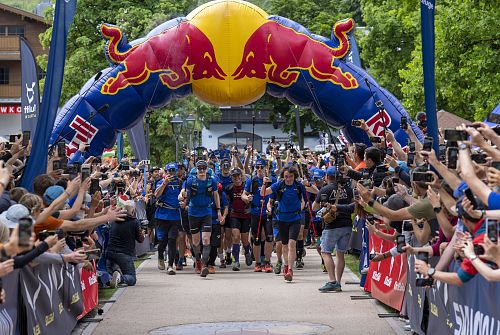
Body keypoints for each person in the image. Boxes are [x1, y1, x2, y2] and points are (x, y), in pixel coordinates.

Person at [313, 166, 354, 292]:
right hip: (347, 224)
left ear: (327, 177)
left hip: (332, 226)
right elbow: (353, 204)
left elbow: (315, 207)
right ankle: (338, 282)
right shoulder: (348, 189)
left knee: (326, 252)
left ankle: (332, 281)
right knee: (340, 254)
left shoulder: (325, 189)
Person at [261, 166, 305, 282]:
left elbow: (303, 201)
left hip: (295, 218)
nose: (288, 179)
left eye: (290, 176)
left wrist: (300, 208)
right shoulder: (279, 185)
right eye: (286, 176)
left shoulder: (298, 186)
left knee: (292, 243)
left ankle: (290, 269)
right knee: (284, 245)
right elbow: (263, 193)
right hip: (282, 218)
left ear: (294, 176)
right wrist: (264, 184)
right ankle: (286, 265)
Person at [180, 160, 222, 277]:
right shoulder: (190, 180)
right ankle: (197, 260)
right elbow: (186, 193)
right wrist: (183, 200)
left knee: (206, 240)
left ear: (207, 169)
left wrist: (218, 210)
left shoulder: (212, 180)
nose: (202, 170)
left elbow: (216, 195)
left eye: (204, 168)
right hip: (193, 212)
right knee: (195, 241)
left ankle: (204, 265)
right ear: (196, 170)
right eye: (200, 168)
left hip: (206, 212)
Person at [244, 159, 276, 272]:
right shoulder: (251, 181)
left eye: (261, 167)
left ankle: (267, 262)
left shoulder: (272, 180)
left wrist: (271, 205)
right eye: (257, 167)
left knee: (269, 237)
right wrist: (247, 198)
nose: (259, 169)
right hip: (255, 212)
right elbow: (244, 194)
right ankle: (257, 263)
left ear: (265, 168)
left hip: (267, 212)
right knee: (256, 239)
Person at [107, 198, 145, 287]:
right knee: (132, 278)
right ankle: (120, 278)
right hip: (124, 254)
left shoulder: (114, 219)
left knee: (109, 272)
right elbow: (140, 239)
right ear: (133, 210)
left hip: (109, 252)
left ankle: (111, 277)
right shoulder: (134, 221)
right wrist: (142, 233)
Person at [154, 163, 182, 275]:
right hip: (162, 215)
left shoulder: (180, 183)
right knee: (162, 241)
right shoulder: (161, 182)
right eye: (169, 171)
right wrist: (165, 183)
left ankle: (170, 265)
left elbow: (183, 195)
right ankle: (160, 255)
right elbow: (156, 195)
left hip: (174, 215)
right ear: (166, 171)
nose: (171, 173)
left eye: (173, 171)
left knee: (172, 240)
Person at [227, 167, 252, 271]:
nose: (236, 178)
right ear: (232, 178)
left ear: (241, 176)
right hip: (235, 215)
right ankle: (236, 261)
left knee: (245, 239)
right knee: (236, 237)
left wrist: (249, 203)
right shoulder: (229, 188)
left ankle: (247, 251)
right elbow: (228, 201)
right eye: (234, 176)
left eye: (238, 175)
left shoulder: (247, 187)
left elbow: (250, 200)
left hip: (246, 216)